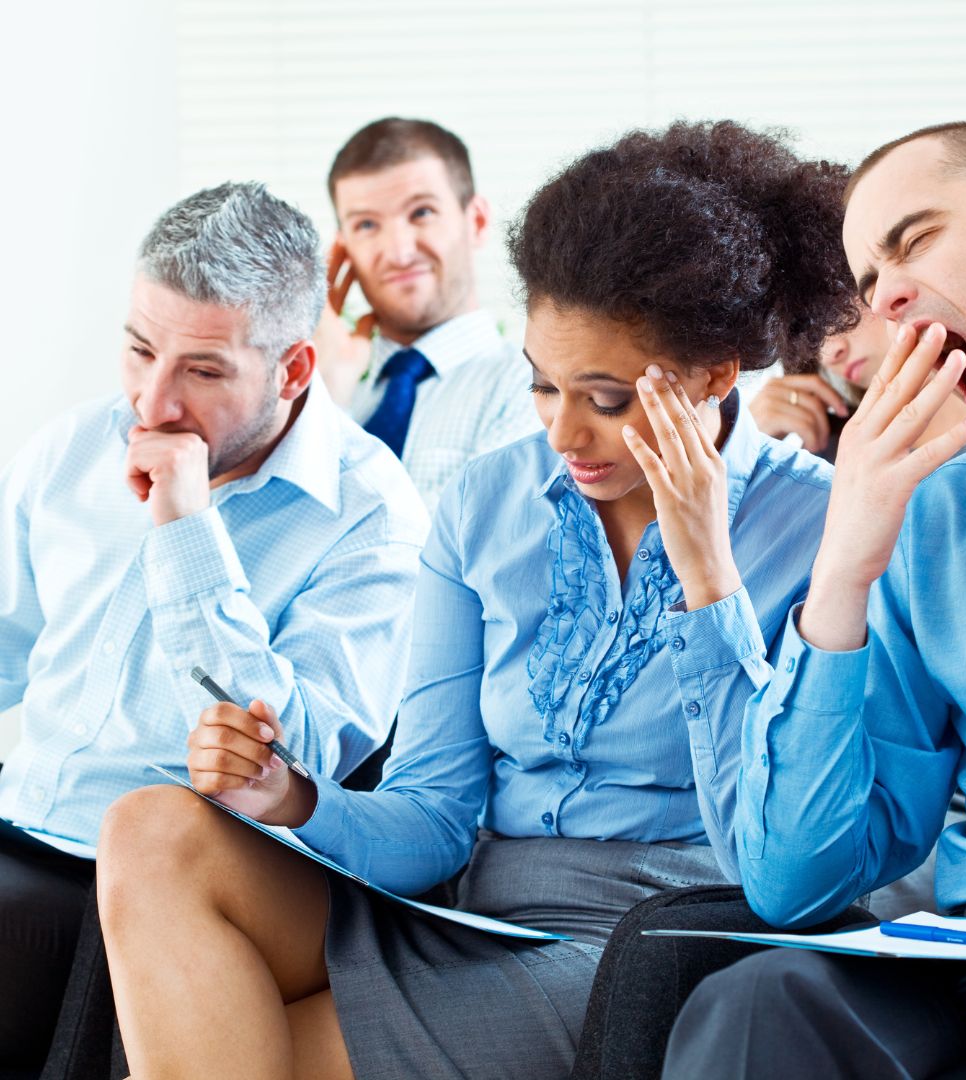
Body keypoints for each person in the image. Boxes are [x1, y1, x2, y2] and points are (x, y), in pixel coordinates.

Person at [93, 120, 857, 1080]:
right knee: (149, 831)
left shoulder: (818, 528)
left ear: (715, 375)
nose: (564, 434)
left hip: (652, 944)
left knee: (241, 1050)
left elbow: (781, 849)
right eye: (540, 386)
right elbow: (434, 817)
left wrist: (709, 572)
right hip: (466, 908)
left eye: (607, 399)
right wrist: (287, 795)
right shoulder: (488, 504)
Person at [658, 120, 966, 1077]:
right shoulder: (939, 505)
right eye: (868, 284)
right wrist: (844, 567)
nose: (887, 299)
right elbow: (793, 882)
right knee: (757, 1005)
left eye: (915, 241)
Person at [0, 182, 427, 1070]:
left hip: (161, 881)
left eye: (201, 371)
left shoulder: (370, 514)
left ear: (294, 370)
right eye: (139, 351)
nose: (151, 406)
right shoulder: (71, 449)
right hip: (16, 824)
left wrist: (188, 535)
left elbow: (299, 760)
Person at [314, 116, 541, 512]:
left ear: (477, 221)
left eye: (421, 213)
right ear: (342, 249)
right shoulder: (326, 395)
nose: (399, 251)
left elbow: (454, 554)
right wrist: (325, 393)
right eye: (366, 224)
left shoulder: (531, 389)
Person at [750, 304, 966, 460]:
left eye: (839, 312)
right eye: (808, 336)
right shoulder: (835, 463)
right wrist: (746, 447)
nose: (829, 354)